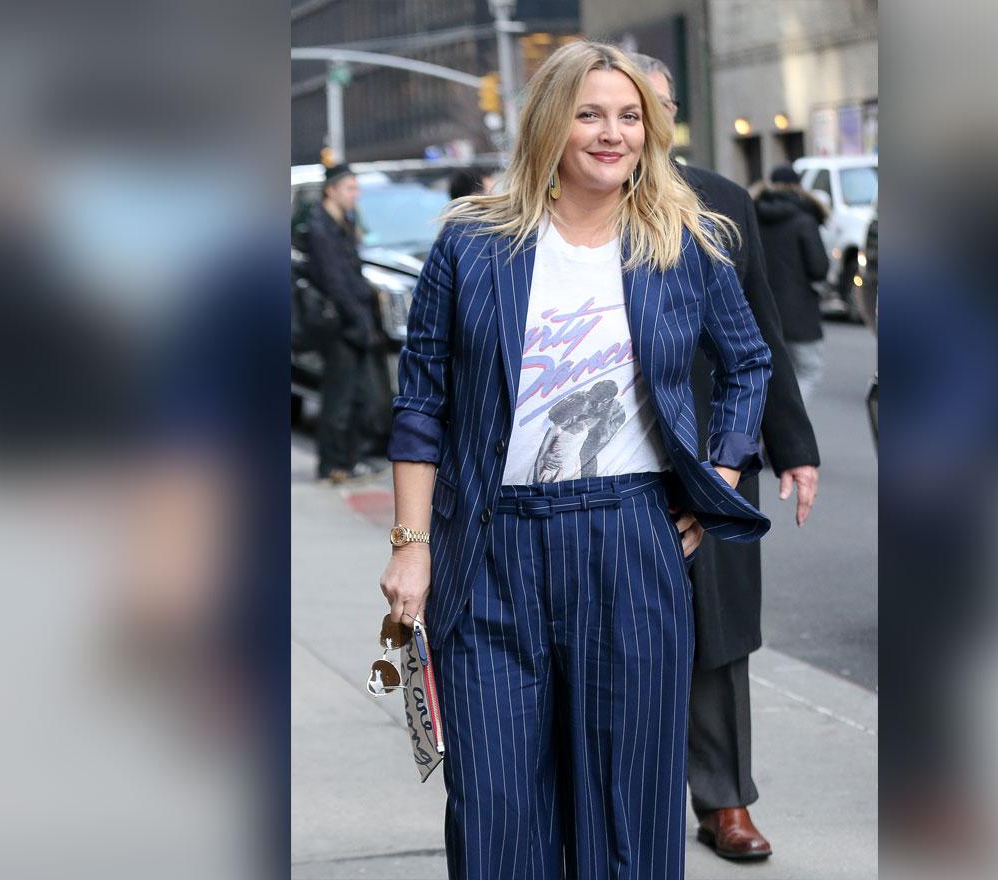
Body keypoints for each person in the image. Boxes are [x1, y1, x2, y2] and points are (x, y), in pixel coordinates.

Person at [378, 41, 773, 880]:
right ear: (550, 124)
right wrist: (411, 547)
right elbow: (420, 400)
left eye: (629, 116)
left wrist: (717, 485)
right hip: (488, 548)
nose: (612, 133)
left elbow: (749, 364)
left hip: (631, 539)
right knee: (494, 805)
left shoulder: (684, 241)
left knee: (628, 807)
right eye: (590, 114)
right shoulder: (472, 242)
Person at [633, 53, 821, 861]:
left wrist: (793, 448)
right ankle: (624, 799)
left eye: (654, 104)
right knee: (618, 636)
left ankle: (723, 801)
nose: (638, 121)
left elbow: (761, 333)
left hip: (717, 450)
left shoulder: (720, 199)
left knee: (717, 632)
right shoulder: (563, 206)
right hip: (607, 460)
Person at [305, 165, 392, 483]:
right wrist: (359, 317)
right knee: (340, 397)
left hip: (354, 321)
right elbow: (335, 281)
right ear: (332, 190)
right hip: (340, 325)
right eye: (350, 189)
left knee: (359, 395)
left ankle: (348, 460)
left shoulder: (342, 224)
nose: (355, 195)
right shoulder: (320, 228)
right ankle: (333, 464)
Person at [753, 164, 831, 411]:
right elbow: (819, 268)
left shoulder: (752, 215)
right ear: (798, 186)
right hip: (800, 314)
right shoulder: (804, 220)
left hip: (761, 311)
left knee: (771, 376)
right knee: (808, 370)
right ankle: (791, 423)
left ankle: (770, 430)